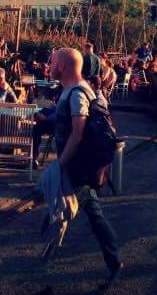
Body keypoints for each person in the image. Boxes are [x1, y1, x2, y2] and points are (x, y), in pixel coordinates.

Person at [48, 47, 122, 288]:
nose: (49, 66)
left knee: (69, 211)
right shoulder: (71, 90)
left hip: (77, 167)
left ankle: (46, 257)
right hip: (79, 166)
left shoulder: (78, 93)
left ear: (62, 66)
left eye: (52, 62)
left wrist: (59, 165)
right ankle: (114, 261)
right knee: (92, 212)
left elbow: (78, 134)